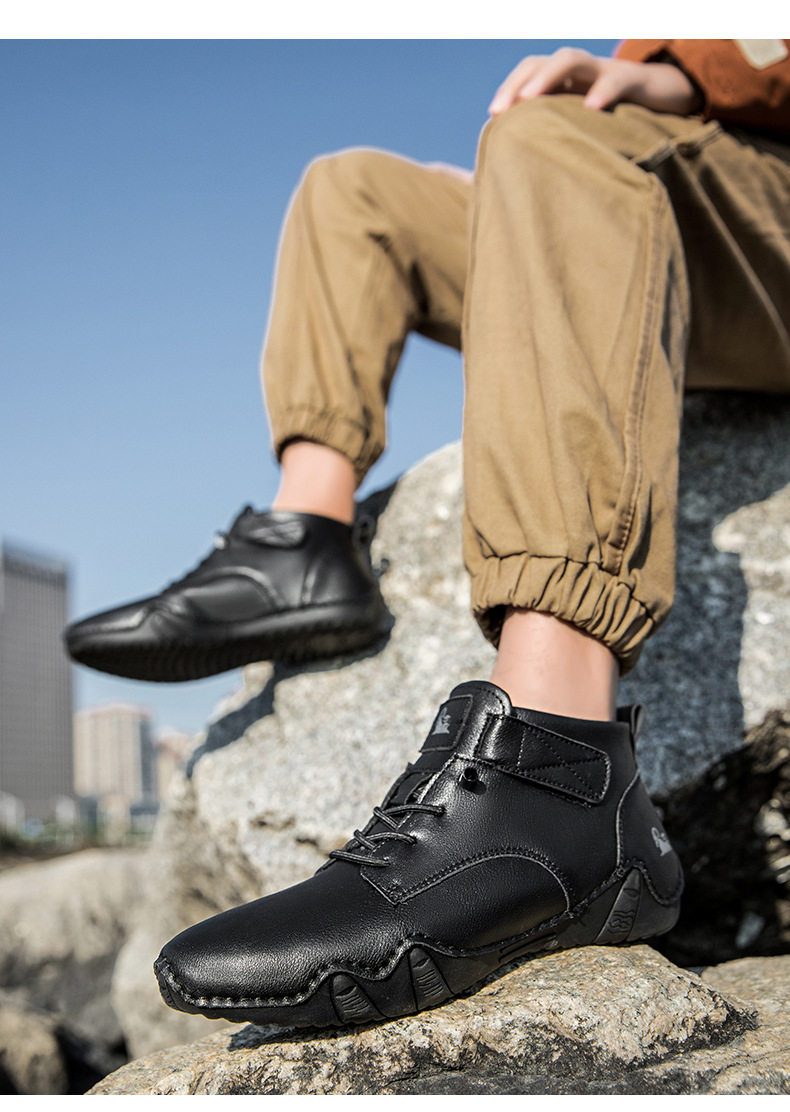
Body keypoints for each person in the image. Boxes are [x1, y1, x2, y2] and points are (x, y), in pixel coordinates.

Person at [67, 41, 790, 1028]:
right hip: (683, 201)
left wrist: (694, 71)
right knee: (356, 190)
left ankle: (557, 768)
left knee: (554, 143)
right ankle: (306, 539)